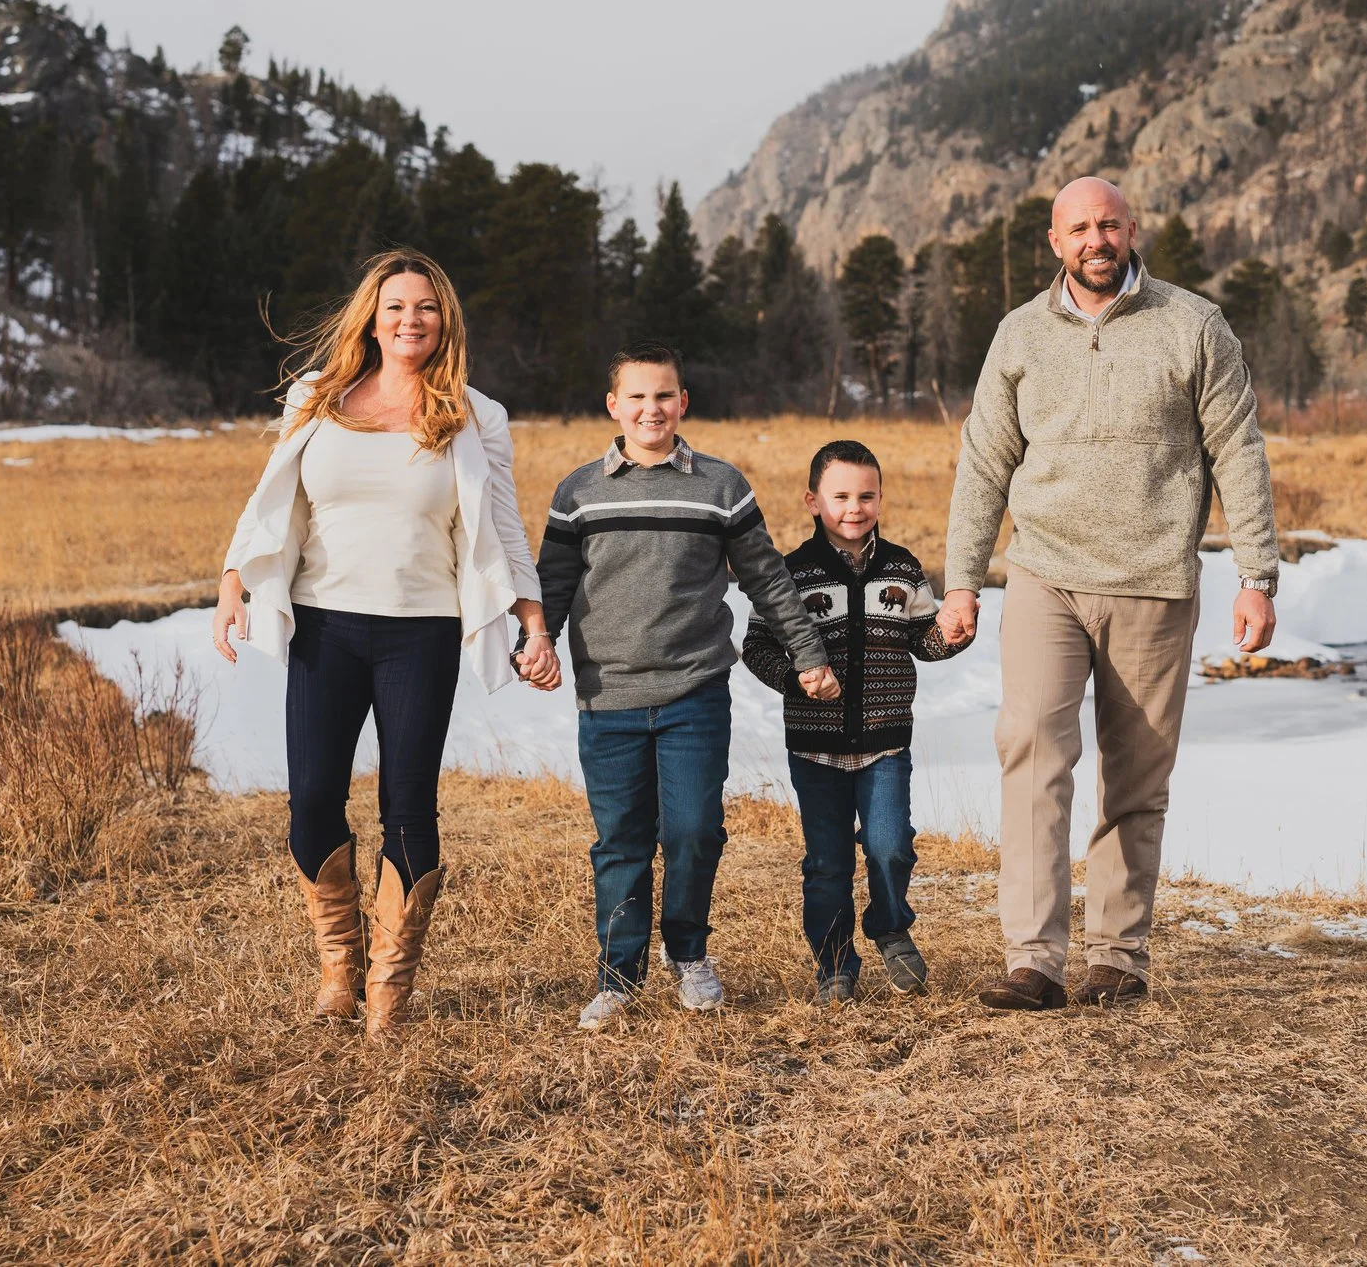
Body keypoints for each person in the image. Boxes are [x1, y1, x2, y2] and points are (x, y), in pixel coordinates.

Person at [940, 178, 1279, 1013]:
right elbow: (984, 461)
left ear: (1132, 232)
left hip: (1155, 581)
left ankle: (1118, 957)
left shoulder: (1193, 324)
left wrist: (1257, 575)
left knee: (1136, 773)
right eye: (1079, 227)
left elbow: (1239, 450)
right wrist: (961, 580)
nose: (1096, 238)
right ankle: (1033, 960)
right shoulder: (1020, 334)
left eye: (1109, 224)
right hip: (1045, 573)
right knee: (1031, 751)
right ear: (1055, 241)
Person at [212, 250, 563, 1035]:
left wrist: (534, 626)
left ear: (446, 323)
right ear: (372, 315)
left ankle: (387, 989)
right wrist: (235, 577)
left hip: (423, 632)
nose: (412, 320)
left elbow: (504, 527)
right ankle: (339, 962)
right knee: (311, 802)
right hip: (325, 626)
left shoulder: (477, 415)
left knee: (409, 804)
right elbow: (272, 497)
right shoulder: (317, 396)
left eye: (427, 308)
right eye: (398, 306)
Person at [537, 343, 839, 1031]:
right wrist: (539, 644)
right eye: (637, 396)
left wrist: (809, 655)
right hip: (606, 696)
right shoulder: (578, 492)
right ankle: (618, 975)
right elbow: (553, 586)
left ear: (684, 403)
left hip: (695, 692)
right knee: (621, 839)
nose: (652, 408)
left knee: (695, 831)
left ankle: (688, 952)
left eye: (665, 395)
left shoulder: (720, 485)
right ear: (613, 405)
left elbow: (767, 578)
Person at [743, 439, 971, 1003]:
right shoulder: (789, 574)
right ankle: (836, 965)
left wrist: (952, 635)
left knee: (890, 845)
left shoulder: (902, 567)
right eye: (840, 495)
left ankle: (891, 927)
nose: (855, 507)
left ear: (880, 499)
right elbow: (756, 648)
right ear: (812, 501)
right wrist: (795, 678)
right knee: (828, 864)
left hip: (885, 741)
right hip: (815, 745)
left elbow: (923, 639)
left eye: (866, 496)